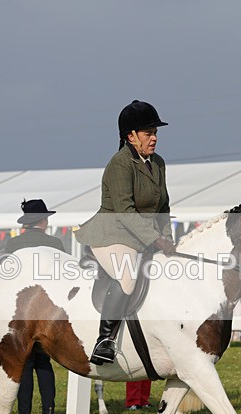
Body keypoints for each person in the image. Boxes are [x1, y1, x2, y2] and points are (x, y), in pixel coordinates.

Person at [74, 100, 176, 366]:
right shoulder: (120, 164)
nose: (154, 138)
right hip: (112, 234)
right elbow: (125, 210)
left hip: (141, 236)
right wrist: (156, 239)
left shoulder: (159, 163)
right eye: (148, 133)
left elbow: (163, 206)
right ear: (130, 136)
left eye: (155, 133)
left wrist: (168, 238)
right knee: (128, 275)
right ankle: (104, 341)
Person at [5, 199, 66, 414]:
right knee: (44, 362)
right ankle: (49, 412)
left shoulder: (12, 245)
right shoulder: (55, 243)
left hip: (22, 310)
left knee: (25, 362)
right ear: (43, 220)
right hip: (47, 309)